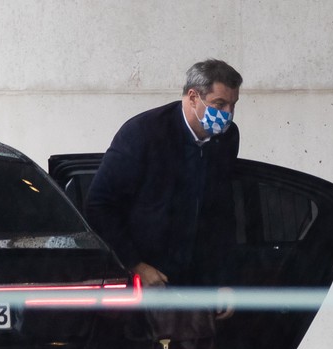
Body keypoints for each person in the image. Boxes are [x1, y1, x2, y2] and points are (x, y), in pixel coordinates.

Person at [85, 59, 242, 317]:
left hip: (195, 283)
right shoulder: (143, 133)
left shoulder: (227, 138)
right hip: (144, 281)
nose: (228, 113)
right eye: (220, 104)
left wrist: (224, 280)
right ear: (193, 97)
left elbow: (221, 211)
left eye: (233, 105)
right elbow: (100, 205)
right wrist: (135, 265)